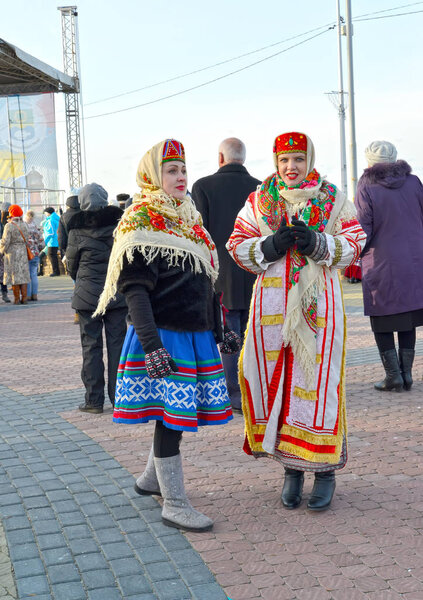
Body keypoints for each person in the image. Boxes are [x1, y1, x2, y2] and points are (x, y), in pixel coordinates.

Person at [94, 139, 238, 532]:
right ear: (152, 176)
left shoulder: (189, 220)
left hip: (194, 335)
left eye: (183, 169)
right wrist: (152, 345)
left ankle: (151, 479)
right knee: (171, 420)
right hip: (163, 336)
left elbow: (207, 283)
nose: (180, 177)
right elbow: (134, 290)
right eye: (171, 170)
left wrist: (220, 327)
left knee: (174, 413)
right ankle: (174, 503)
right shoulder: (140, 220)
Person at [227, 131, 366, 511]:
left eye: (298, 159)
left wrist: (318, 243)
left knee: (318, 383)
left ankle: (324, 470)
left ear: (310, 161)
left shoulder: (333, 198)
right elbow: (237, 244)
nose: (292, 167)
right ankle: (291, 469)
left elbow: (356, 242)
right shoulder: (259, 200)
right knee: (280, 386)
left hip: (318, 308)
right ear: (275, 162)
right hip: (271, 309)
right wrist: (268, 247)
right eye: (285, 160)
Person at [191, 138, 261, 412]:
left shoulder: (203, 186)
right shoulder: (260, 187)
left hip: (222, 271)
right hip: (256, 268)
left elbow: (201, 233)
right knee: (254, 332)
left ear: (220, 157)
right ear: (243, 157)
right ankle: (253, 389)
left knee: (229, 332)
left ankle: (231, 391)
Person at [355, 141, 423, 392]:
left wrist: (352, 254)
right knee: (409, 317)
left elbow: (363, 228)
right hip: (415, 261)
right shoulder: (414, 181)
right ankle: (406, 376)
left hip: (381, 262)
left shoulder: (366, 184)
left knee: (382, 318)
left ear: (369, 161)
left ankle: (393, 375)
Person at [66, 183, 127, 413]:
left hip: (87, 296)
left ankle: (93, 401)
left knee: (90, 347)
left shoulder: (76, 229)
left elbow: (71, 265)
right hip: (116, 294)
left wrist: (81, 280)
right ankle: (120, 399)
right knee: (117, 347)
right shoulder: (120, 225)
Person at [0, 205, 31, 304]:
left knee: (14, 275)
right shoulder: (25, 224)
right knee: (23, 275)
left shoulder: (9, 225)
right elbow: (27, 238)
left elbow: (5, 241)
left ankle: (16, 299)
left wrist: (1, 250)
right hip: (22, 251)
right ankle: (24, 298)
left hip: (12, 252)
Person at [23, 210, 44, 301]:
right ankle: (34, 295)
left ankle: (27, 295)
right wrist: (38, 250)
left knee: (27, 275)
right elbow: (42, 243)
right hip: (35, 254)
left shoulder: (23, 229)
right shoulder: (36, 229)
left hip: (26, 253)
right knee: (34, 274)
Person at [41, 207, 60, 276]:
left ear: (48, 212)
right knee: (53, 256)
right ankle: (56, 271)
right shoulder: (57, 218)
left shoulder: (50, 220)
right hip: (57, 240)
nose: (45, 214)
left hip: (52, 241)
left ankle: (56, 271)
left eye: (45, 213)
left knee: (51, 255)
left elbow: (50, 233)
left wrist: (45, 241)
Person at [0, 202, 11, 303]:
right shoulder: (6, 222)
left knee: (3, 273)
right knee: (3, 273)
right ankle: (4, 294)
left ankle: (4, 293)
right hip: (3, 250)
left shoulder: (6, 222)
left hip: (2, 250)